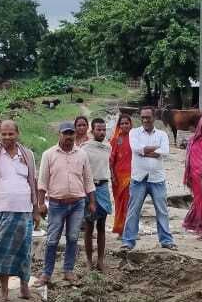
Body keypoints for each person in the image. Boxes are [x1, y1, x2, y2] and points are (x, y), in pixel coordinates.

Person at [0, 120, 40, 302]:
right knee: (2, 251)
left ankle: (24, 286)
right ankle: (3, 291)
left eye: (10, 134)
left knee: (24, 250)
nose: (7, 137)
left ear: (17, 133)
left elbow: (33, 184)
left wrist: (36, 211)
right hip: (2, 209)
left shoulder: (27, 154)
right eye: (3, 134)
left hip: (25, 209)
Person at [36, 122, 96, 285]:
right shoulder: (49, 154)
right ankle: (46, 274)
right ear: (59, 135)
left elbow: (88, 179)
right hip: (56, 204)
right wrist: (41, 204)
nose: (69, 137)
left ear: (75, 135)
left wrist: (92, 202)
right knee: (53, 239)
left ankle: (68, 270)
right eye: (65, 133)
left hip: (78, 203)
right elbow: (42, 182)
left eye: (71, 133)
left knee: (72, 237)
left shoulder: (82, 154)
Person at [121, 106, 177, 251]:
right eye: (143, 117)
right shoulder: (134, 132)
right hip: (138, 179)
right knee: (133, 210)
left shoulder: (162, 134)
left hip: (157, 179)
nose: (145, 120)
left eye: (148, 117)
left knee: (162, 210)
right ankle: (128, 242)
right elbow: (136, 148)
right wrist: (154, 150)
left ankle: (166, 240)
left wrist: (144, 151)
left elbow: (164, 152)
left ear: (154, 118)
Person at [82, 118, 113, 270]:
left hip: (103, 187)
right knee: (89, 226)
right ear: (92, 131)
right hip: (89, 188)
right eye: (98, 129)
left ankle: (100, 260)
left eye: (103, 129)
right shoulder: (85, 148)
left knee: (101, 225)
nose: (101, 132)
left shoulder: (108, 146)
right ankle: (88, 260)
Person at [108, 114, 134, 238]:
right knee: (120, 203)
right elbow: (110, 160)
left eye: (126, 123)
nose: (124, 125)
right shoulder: (115, 140)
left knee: (132, 203)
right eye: (122, 123)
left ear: (130, 124)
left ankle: (130, 230)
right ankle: (120, 230)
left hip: (134, 176)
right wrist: (112, 175)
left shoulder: (136, 138)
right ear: (119, 125)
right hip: (118, 177)